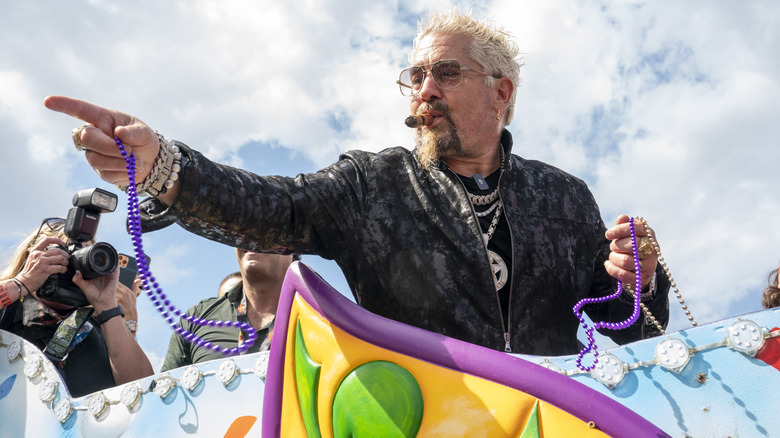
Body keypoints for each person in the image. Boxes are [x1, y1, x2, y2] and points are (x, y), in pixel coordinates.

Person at [43, 10, 669, 356]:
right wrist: (163, 168)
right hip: (417, 420)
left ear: (501, 92)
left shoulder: (565, 198)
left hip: (549, 421)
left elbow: (627, 330)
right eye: (416, 75)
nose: (425, 90)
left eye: (445, 73)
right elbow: (273, 207)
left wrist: (640, 274)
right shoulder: (374, 184)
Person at [0, 218, 154, 397]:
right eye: (64, 256)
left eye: (83, 258)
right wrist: (22, 282)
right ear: (32, 259)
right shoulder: (9, 310)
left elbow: (143, 392)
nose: (73, 268)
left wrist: (107, 307)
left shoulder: (101, 327)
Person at [160, 249, 296, 371]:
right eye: (241, 228)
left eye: (268, 225)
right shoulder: (197, 318)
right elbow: (163, 394)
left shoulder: (315, 312)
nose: (252, 235)